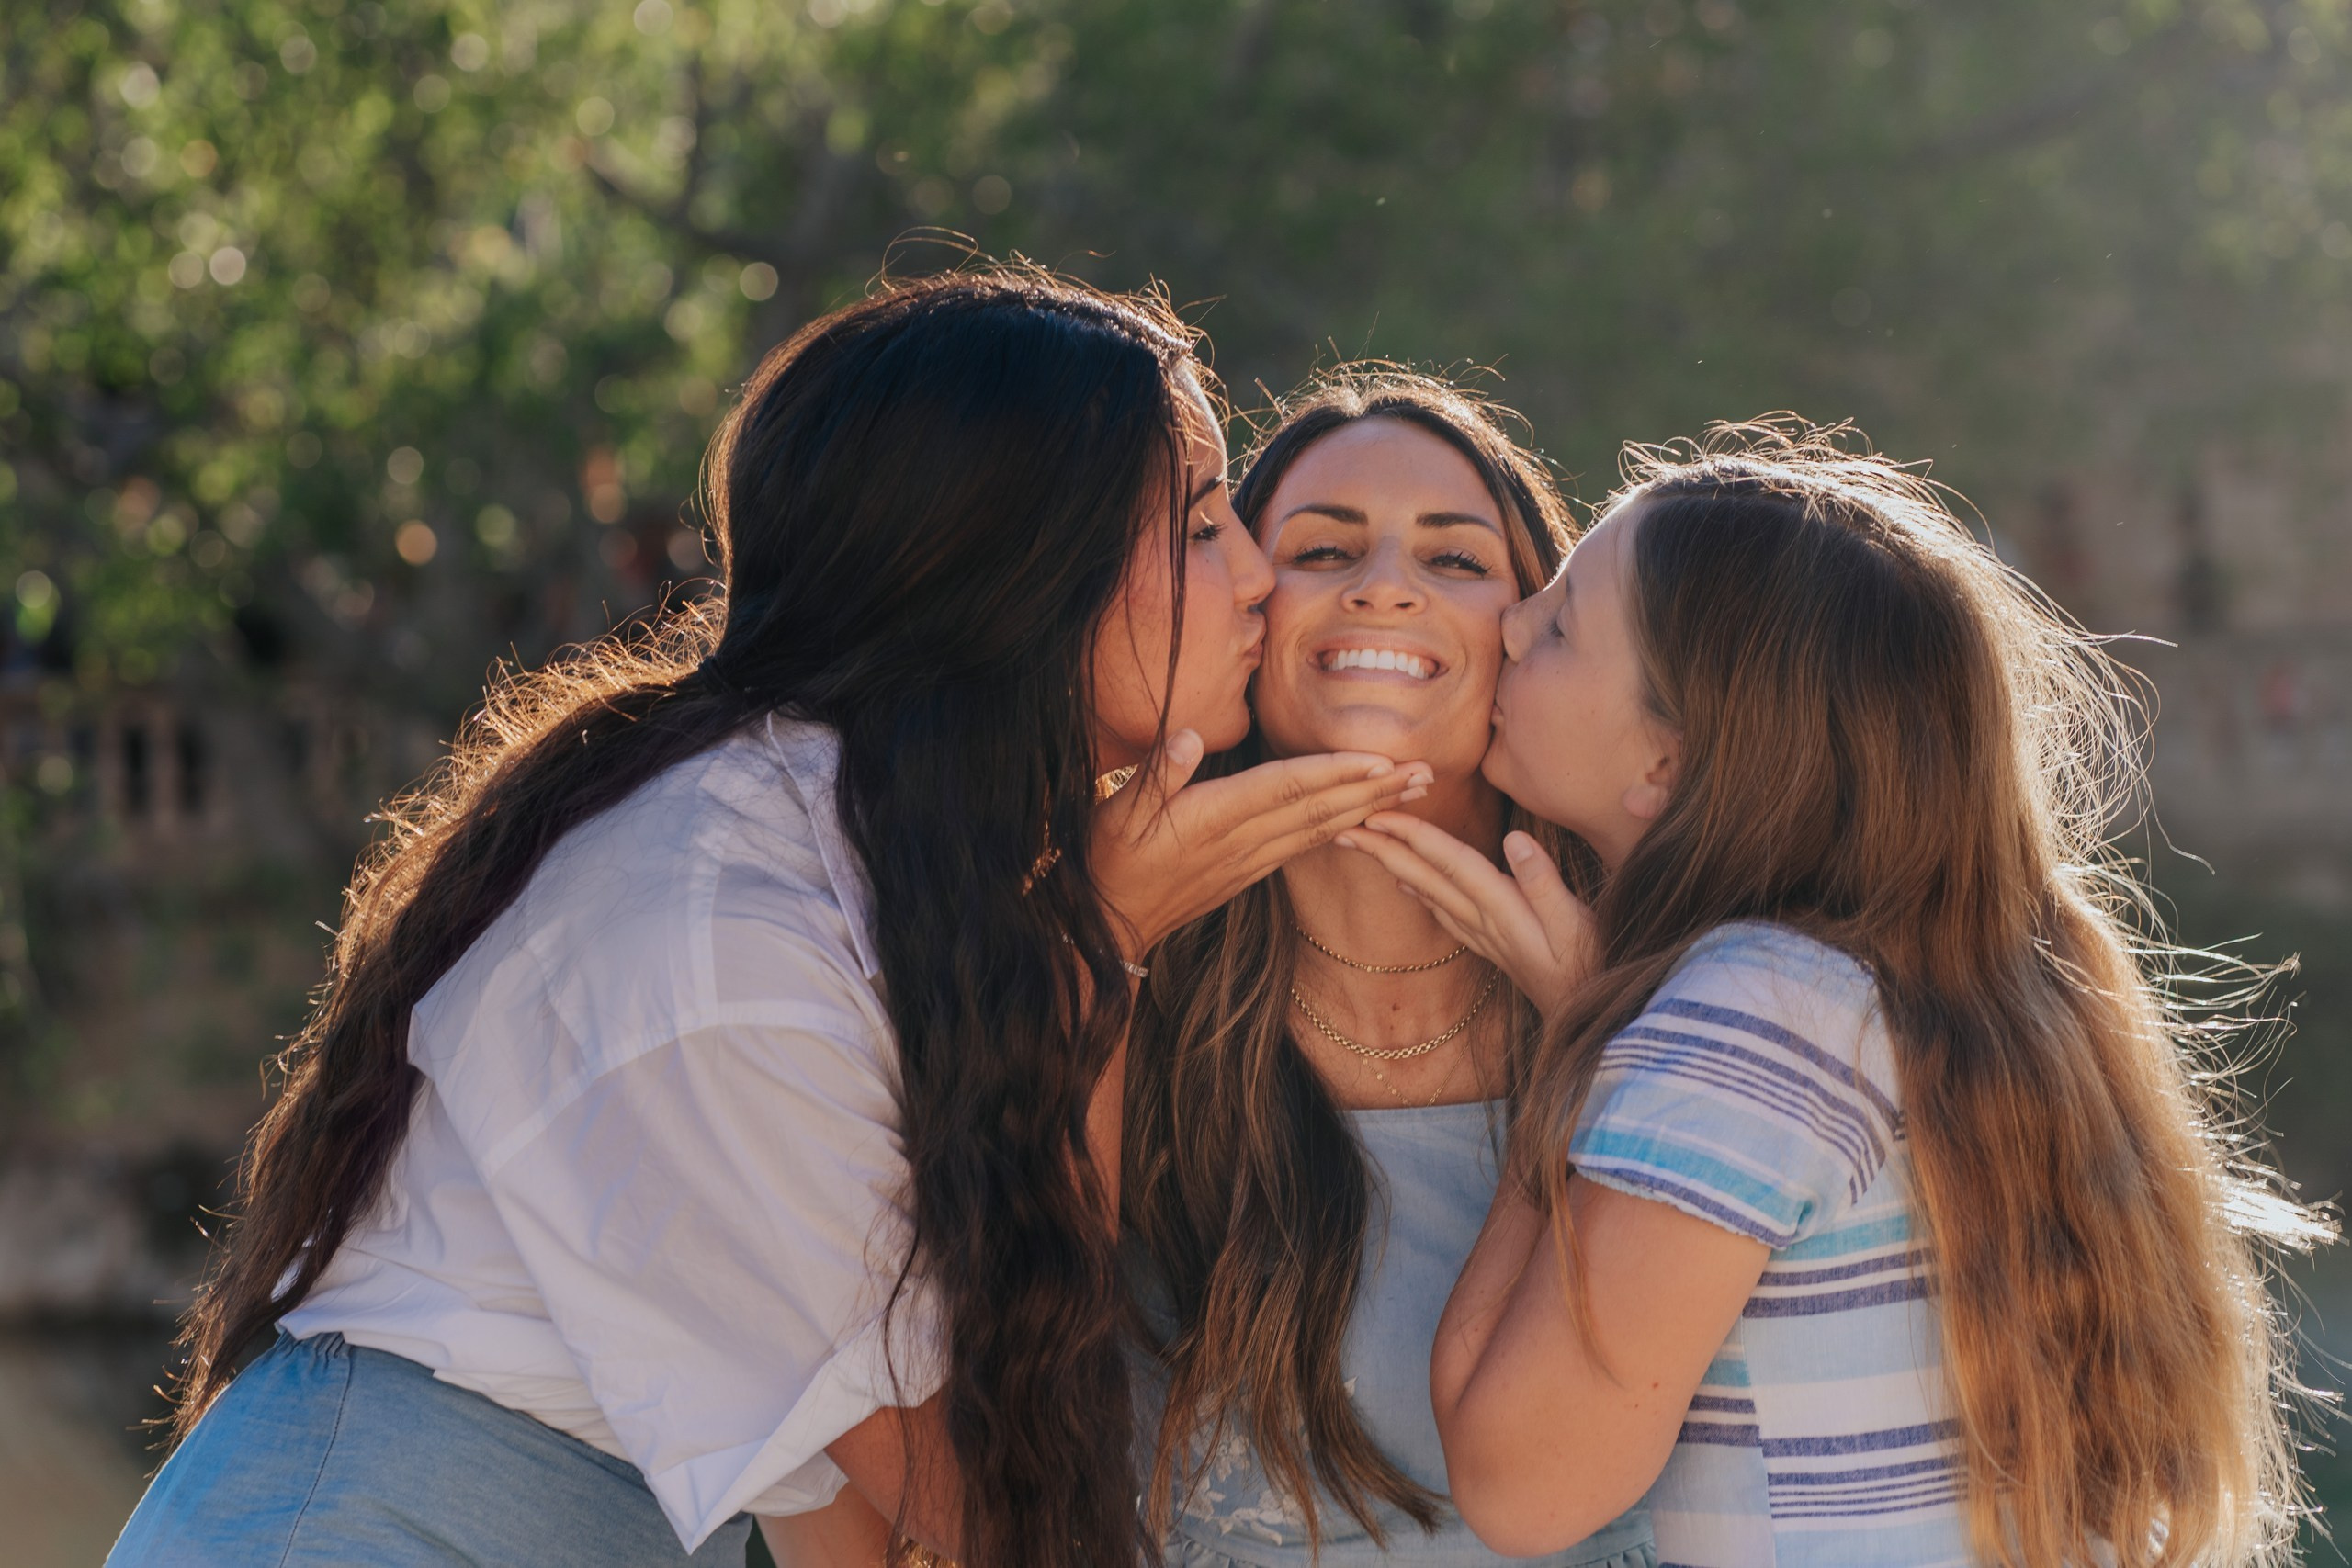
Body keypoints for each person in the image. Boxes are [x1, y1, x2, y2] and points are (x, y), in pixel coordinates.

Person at [107, 267, 1436, 1568]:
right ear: (1013, 572)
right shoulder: (728, 930)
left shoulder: (877, 860)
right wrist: (1101, 954)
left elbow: (854, 1516)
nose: (1258, 576)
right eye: (1201, 527)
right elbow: (998, 1510)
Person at [1348, 420, 2334, 1567]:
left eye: (1561, 624)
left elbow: (1520, 1486)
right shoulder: (1944, 990)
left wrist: (1579, 1043)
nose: (1514, 623)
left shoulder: (1754, 1015)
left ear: (1667, 763)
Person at [1125, 371, 1653, 1568]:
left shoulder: (1673, 983)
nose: (1383, 585)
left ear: (1537, 635)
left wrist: (1598, 1042)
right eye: (1323, 548)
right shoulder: (1117, 971)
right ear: (1243, 612)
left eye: (1455, 559)